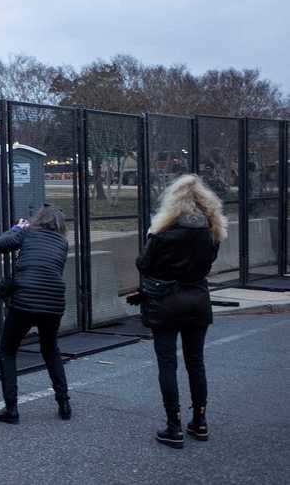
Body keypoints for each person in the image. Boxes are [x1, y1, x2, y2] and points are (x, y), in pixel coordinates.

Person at [132, 174, 227, 449]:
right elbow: (208, 264)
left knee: (167, 363)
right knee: (195, 362)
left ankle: (173, 427)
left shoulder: (163, 234)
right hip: (198, 298)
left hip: (165, 302)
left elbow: (144, 265)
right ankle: (200, 421)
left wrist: (151, 239)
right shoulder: (212, 231)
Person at [0, 205, 70, 424]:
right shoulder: (63, 243)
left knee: (8, 350)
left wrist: (17, 227)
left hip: (25, 300)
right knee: (50, 349)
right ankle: (64, 403)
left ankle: (11, 409)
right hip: (54, 302)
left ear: (38, 220)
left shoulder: (27, 233)